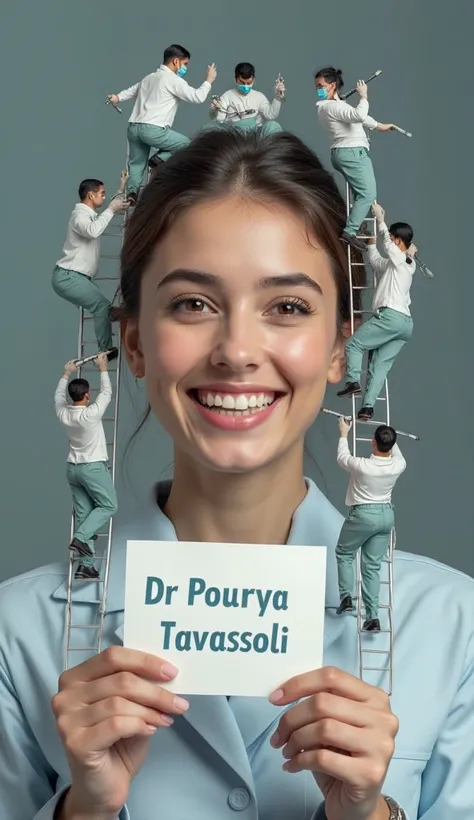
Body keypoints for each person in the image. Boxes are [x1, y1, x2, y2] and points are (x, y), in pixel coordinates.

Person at [0, 130, 473, 820]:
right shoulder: (19, 635)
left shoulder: (453, 626)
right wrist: (85, 810)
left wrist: (372, 815)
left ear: (342, 347)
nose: (238, 352)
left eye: (287, 307)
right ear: (133, 342)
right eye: (193, 303)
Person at [107, 44, 217, 202]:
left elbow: (133, 90)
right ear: (176, 62)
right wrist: (208, 80)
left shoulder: (149, 77)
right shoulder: (173, 80)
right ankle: (158, 159)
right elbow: (197, 97)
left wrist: (117, 97)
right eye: (185, 64)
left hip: (133, 128)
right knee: (187, 145)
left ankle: (132, 194)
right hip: (153, 129)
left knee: (137, 163)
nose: (185, 68)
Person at [337, 202, 416, 420]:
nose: (388, 241)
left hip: (391, 317)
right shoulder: (403, 263)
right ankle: (368, 408)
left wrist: (380, 220)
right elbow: (378, 262)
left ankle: (352, 381)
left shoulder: (401, 259)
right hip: (404, 325)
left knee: (354, 344)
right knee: (378, 366)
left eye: (391, 238)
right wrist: (371, 244)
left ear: (397, 240)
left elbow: (391, 249)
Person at [335, 417, 406, 632]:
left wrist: (343, 433)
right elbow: (395, 450)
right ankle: (373, 617)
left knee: (345, 553)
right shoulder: (399, 464)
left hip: (364, 514)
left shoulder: (363, 466)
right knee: (372, 567)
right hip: (386, 515)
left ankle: (347, 597)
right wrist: (390, 435)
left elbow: (342, 457)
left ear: (373, 442)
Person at [314, 67, 395, 252]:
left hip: (346, 153)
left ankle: (356, 226)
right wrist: (364, 96)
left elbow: (357, 118)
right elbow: (358, 115)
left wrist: (379, 126)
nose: (318, 89)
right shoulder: (331, 106)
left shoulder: (335, 105)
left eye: (321, 85)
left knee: (361, 194)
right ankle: (350, 232)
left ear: (332, 85)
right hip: (351, 153)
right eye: (317, 86)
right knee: (368, 194)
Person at [54, 353, 118, 580]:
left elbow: (58, 397)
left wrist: (65, 374)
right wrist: (103, 369)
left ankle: (86, 566)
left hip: (73, 469)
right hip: (92, 468)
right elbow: (108, 393)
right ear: (88, 395)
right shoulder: (91, 414)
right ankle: (80, 537)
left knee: (84, 513)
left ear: (72, 397)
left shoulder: (63, 413)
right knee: (109, 505)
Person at [52, 174, 129, 355]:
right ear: (91, 195)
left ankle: (114, 321)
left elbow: (106, 213)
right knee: (101, 307)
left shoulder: (91, 215)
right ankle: (105, 351)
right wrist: (111, 209)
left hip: (79, 277)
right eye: (102, 193)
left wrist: (121, 187)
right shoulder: (78, 216)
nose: (104, 196)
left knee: (109, 311)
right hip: (67, 276)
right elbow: (93, 231)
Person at [208, 61, 284, 134]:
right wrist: (215, 110)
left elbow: (270, 115)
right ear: (236, 79)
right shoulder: (227, 96)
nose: (245, 86)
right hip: (234, 137)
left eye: (249, 83)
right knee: (209, 129)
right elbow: (219, 120)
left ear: (253, 79)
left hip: (255, 136)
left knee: (273, 126)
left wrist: (277, 97)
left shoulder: (259, 96)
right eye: (242, 83)